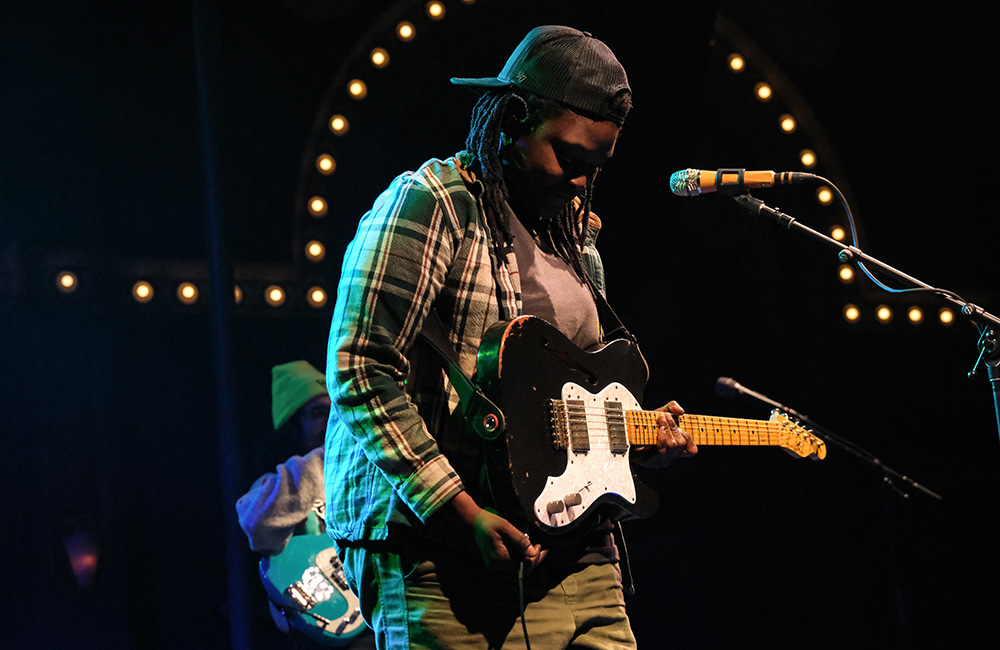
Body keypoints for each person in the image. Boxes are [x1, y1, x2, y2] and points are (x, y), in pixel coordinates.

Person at [324, 25, 697, 649]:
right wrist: (459, 509)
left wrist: (631, 441)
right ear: (512, 119)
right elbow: (361, 367)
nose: (579, 182)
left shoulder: (578, 241)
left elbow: (563, 412)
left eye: (595, 167)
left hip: (579, 553)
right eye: (569, 158)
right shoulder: (433, 205)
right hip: (445, 548)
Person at [237, 360, 376, 649]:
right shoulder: (273, 484)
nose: (332, 421)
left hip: (376, 617)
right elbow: (256, 525)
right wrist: (328, 454)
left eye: (334, 411)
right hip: (321, 625)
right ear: (292, 427)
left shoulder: (360, 475)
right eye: (318, 413)